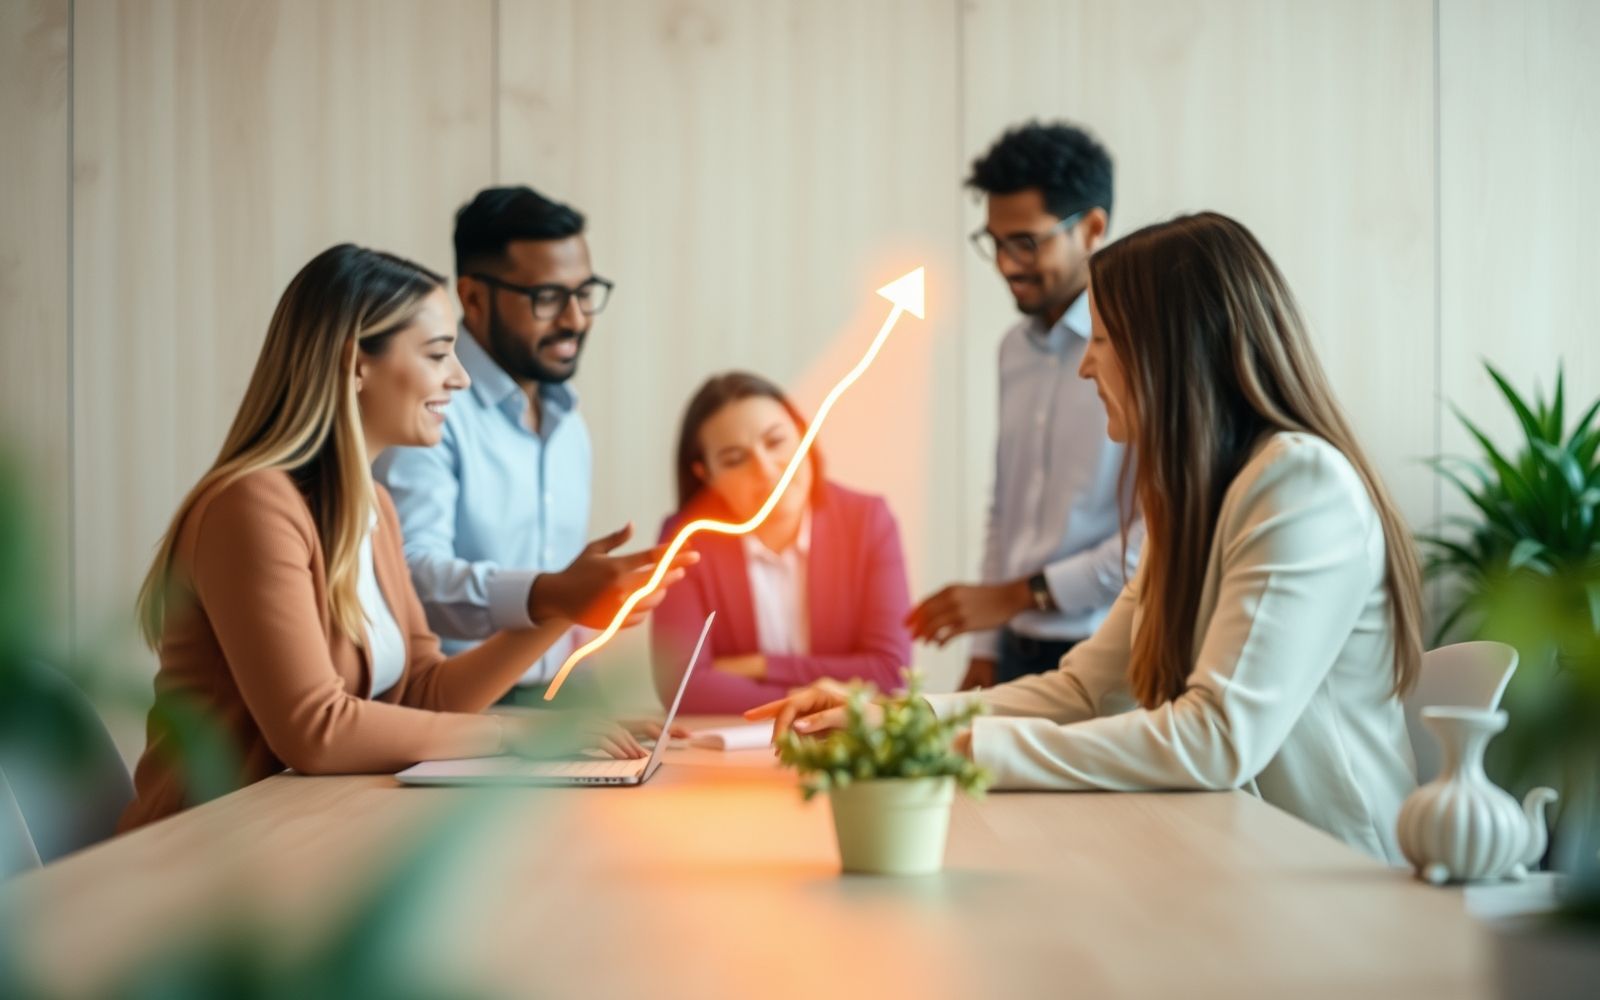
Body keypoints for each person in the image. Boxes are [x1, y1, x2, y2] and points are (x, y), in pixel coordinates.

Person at [751, 213, 1424, 863]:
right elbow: (1082, 692)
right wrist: (891, 719)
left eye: (1100, 341)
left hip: (1330, 875)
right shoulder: (1194, 500)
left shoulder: (1299, 486)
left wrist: (946, 750)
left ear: (1170, 350)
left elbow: (1218, 739)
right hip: (1232, 850)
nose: (1084, 368)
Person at [121, 245, 691, 831]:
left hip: (304, 832)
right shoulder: (254, 506)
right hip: (201, 847)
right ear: (356, 363)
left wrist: (561, 608)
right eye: (439, 353)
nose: (461, 377)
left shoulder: (375, 509)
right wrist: (519, 733)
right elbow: (315, 731)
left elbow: (425, 692)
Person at [909, 121, 1141, 689]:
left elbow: (1153, 538)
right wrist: (986, 648)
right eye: (996, 242)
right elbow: (1006, 509)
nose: (1007, 264)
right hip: (1015, 646)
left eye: (1027, 242)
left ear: (1092, 228)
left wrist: (1017, 594)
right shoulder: (1013, 351)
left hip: (1113, 647)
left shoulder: (1144, 349)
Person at [375, 186, 615, 697]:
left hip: (555, 697)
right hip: (451, 704)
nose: (575, 319)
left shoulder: (568, 422)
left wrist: (586, 707)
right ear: (474, 298)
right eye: (548, 298)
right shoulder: (426, 410)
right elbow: (411, 579)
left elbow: (567, 610)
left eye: (585, 292)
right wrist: (549, 595)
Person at [650, 372, 912, 714]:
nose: (766, 468)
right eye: (734, 459)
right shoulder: (685, 540)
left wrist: (761, 666)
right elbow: (682, 688)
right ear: (706, 474)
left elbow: (890, 673)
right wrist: (814, 697)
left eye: (775, 442)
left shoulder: (868, 521)